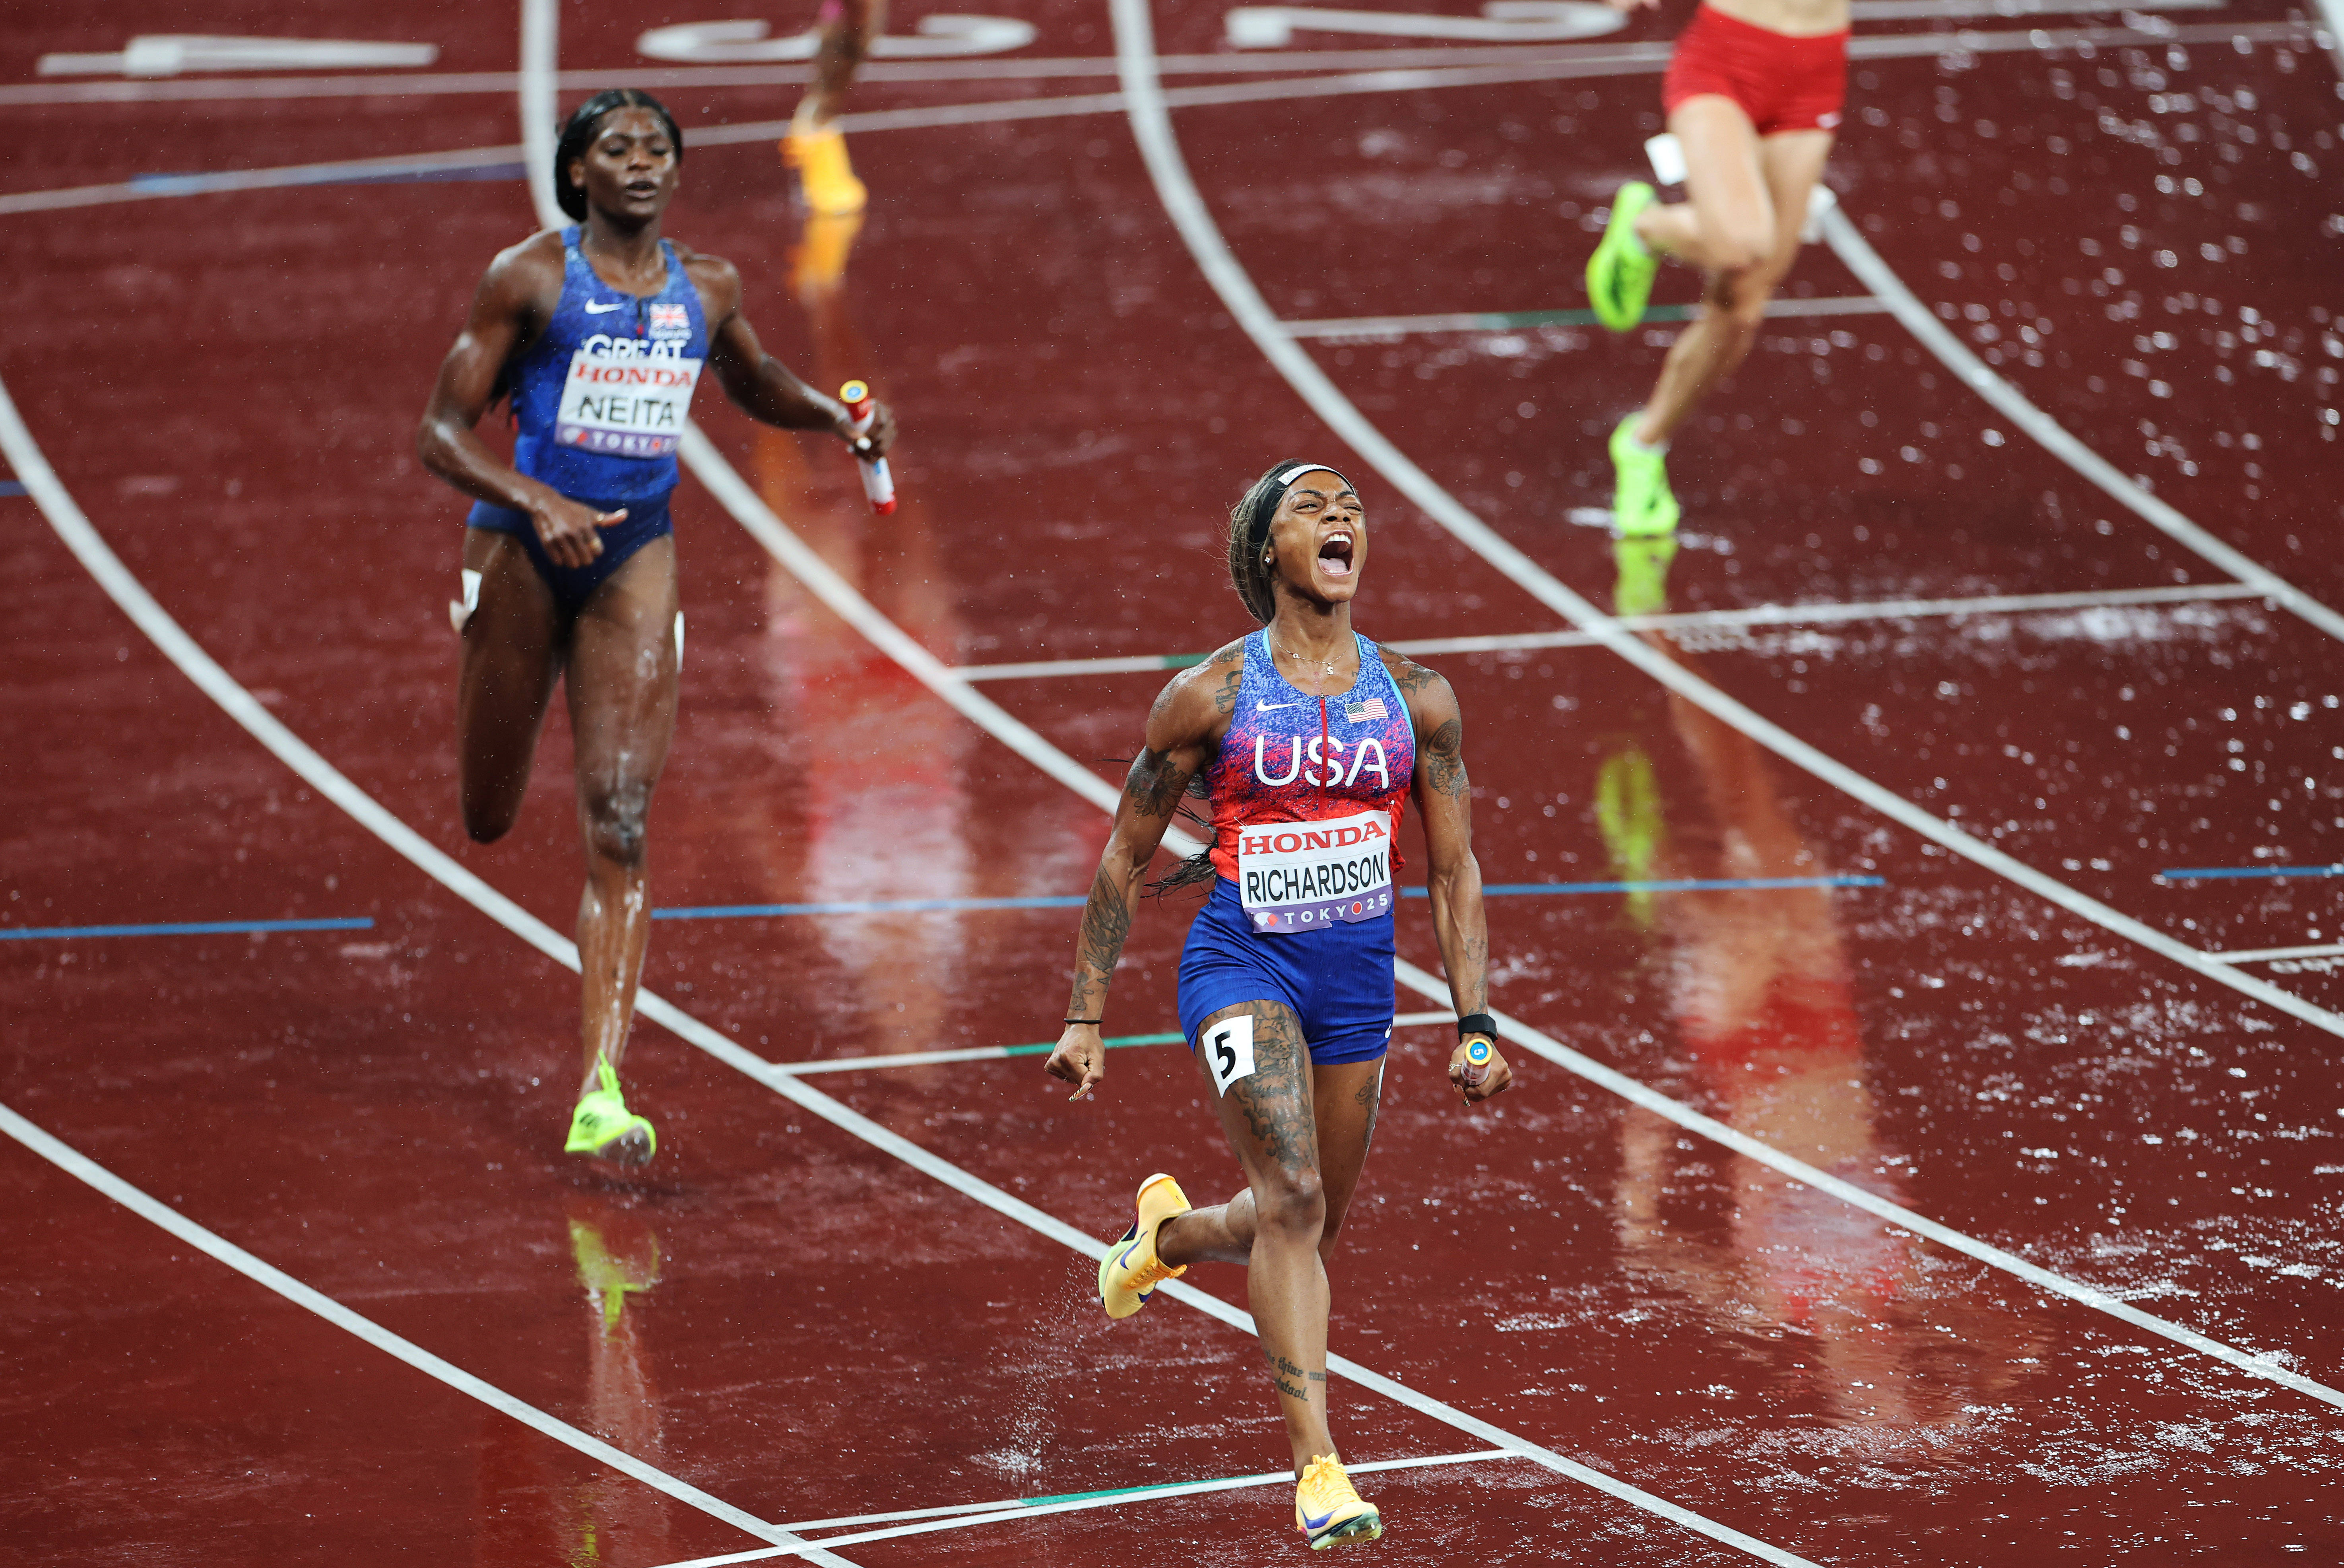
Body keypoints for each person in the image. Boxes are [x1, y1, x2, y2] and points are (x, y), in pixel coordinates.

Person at [417, 87, 893, 1164]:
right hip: (521, 548)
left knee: (622, 821)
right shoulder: (531, 279)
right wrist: (540, 501)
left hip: (636, 553)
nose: (641, 160)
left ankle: (601, 1092)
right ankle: (494, 634)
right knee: (487, 815)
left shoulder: (707, 287)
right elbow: (439, 431)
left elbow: (754, 380)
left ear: (678, 173)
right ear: (578, 172)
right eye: (616, 147)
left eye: (658, 148)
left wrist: (834, 421)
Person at [1043, 462, 1514, 1550]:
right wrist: (1085, 1015)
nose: (1342, 516)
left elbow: (1453, 872)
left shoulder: (1418, 699)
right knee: (1294, 1197)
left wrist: (1476, 1022)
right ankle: (1319, 1472)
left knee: (1301, 1222)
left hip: (1356, 990)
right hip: (1239, 968)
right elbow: (1122, 859)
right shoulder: (1208, 696)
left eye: (1352, 505)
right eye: (1313, 506)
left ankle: (1165, 1237)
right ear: (1270, 552)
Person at [1582, 0, 1849, 535]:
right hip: (1727, 57)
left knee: (1743, 306)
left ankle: (1643, 445)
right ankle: (1647, 228)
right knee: (1742, 243)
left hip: (1817, 70)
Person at [783, 0, 884, 215]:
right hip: (846, 23)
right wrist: (859, 26)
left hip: (842, 20)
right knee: (829, 94)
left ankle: (819, 169)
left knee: (828, 91)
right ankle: (822, 182)